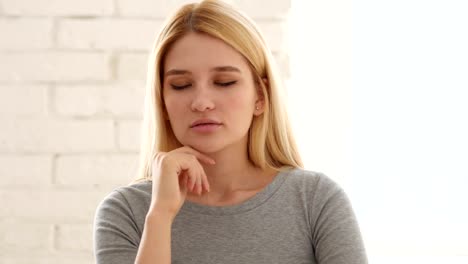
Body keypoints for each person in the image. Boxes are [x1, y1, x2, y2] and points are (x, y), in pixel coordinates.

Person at [93, 0, 367, 263]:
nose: (201, 102)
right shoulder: (126, 213)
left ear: (260, 96)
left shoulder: (315, 200)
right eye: (180, 85)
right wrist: (160, 216)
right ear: (162, 102)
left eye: (224, 82)